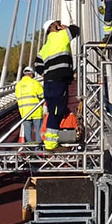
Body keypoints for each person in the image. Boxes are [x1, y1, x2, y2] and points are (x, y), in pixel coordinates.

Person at [34, 19, 80, 152]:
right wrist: (64, 28)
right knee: (57, 112)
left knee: (53, 111)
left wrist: (46, 73)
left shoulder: (45, 46)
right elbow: (75, 29)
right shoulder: (61, 36)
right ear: (53, 27)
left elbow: (37, 65)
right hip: (59, 81)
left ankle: (50, 141)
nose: (59, 25)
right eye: (57, 23)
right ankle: (51, 144)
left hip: (48, 83)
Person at [15, 66, 44, 143]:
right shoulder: (35, 83)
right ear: (31, 74)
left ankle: (29, 149)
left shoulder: (18, 85)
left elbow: (17, 97)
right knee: (38, 131)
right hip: (36, 110)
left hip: (24, 112)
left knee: (28, 132)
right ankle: (38, 149)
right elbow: (42, 95)